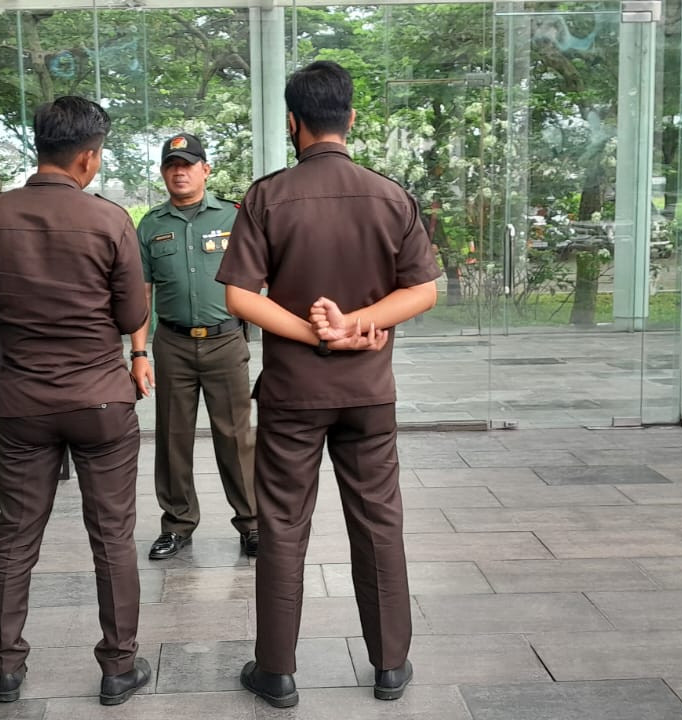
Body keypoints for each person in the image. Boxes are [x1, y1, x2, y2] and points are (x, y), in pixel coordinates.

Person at [215, 60, 441, 709]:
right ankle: (390, 665)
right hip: (368, 392)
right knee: (379, 523)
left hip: (292, 394)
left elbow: (238, 295)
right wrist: (356, 326)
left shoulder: (267, 197)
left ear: (293, 122)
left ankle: (277, 672)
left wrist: (315, 333)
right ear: (351, 118)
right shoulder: (390, 196)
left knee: (283, 525)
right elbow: (423, 290)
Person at [0, 95, 152, 707]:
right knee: (113, 536)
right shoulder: (110, 220)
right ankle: (119, 667)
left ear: (40, 146)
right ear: (89, 158)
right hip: (101, 402)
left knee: (15, 534)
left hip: (25, 403)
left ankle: (5, 668)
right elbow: (131, 313)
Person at [129, 132, 259, 561]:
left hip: (226, 342)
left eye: (187, 165)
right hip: (173, 345)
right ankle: (177, 524)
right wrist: (139, 353)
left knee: (236, 436)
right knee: (172, 438)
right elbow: (142, 295)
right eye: (171, 166)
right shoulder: (151, 225)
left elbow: (262, 277)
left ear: (206, 169)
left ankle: (252, 524)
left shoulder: (236, 217)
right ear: (162, 173)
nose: (179, 172)